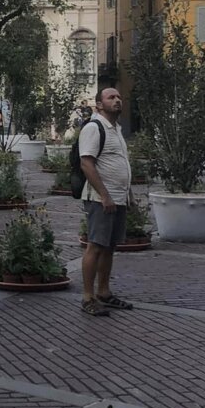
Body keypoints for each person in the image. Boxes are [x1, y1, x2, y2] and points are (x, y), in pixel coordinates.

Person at [79, 85, 134, 318]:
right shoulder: (94, 127)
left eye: (119, 96)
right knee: (96, 245)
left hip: (117, 198)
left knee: (110, 246)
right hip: (101, 199)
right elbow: (87, 164)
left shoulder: (116, 129)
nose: (117, 100)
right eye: (111, 97)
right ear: (99, 104)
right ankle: (87, 297)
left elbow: (119, 162)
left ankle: (104, 292)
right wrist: (104, 195)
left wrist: (127, 193)